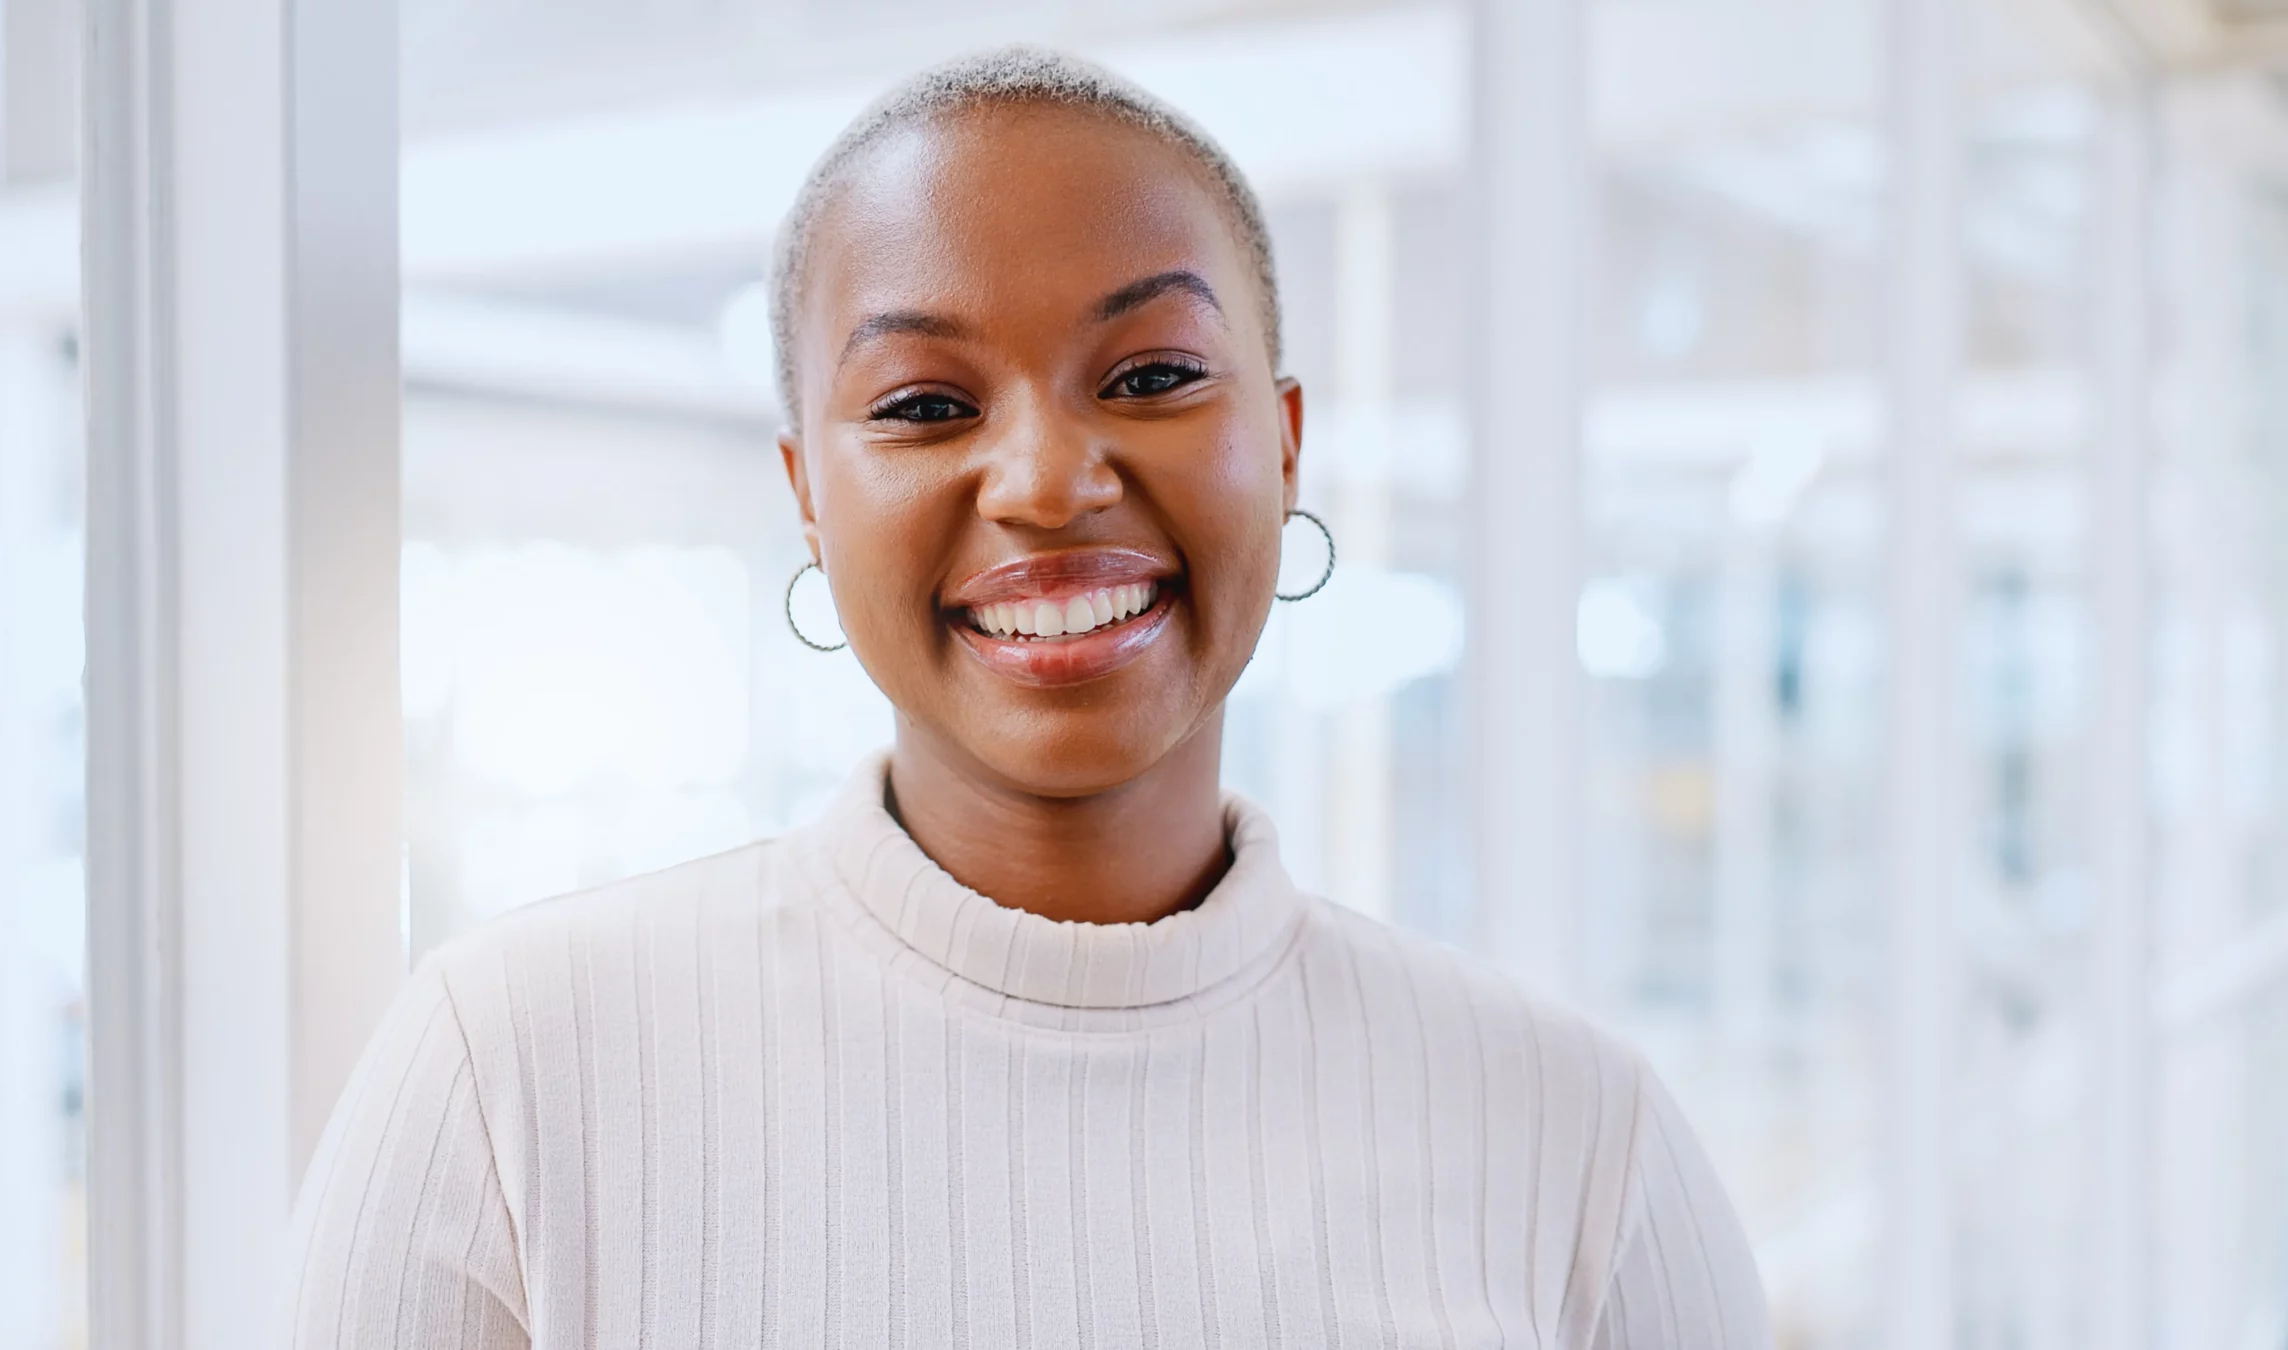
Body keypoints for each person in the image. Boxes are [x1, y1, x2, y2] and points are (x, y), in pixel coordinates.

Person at [285, 47, 1767, 1349]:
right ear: (809, 497)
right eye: (927, 406)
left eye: (1152, 376)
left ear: (1285, 443)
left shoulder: (1581, 1142)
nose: (1050, 482)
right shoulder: (508, 1078)